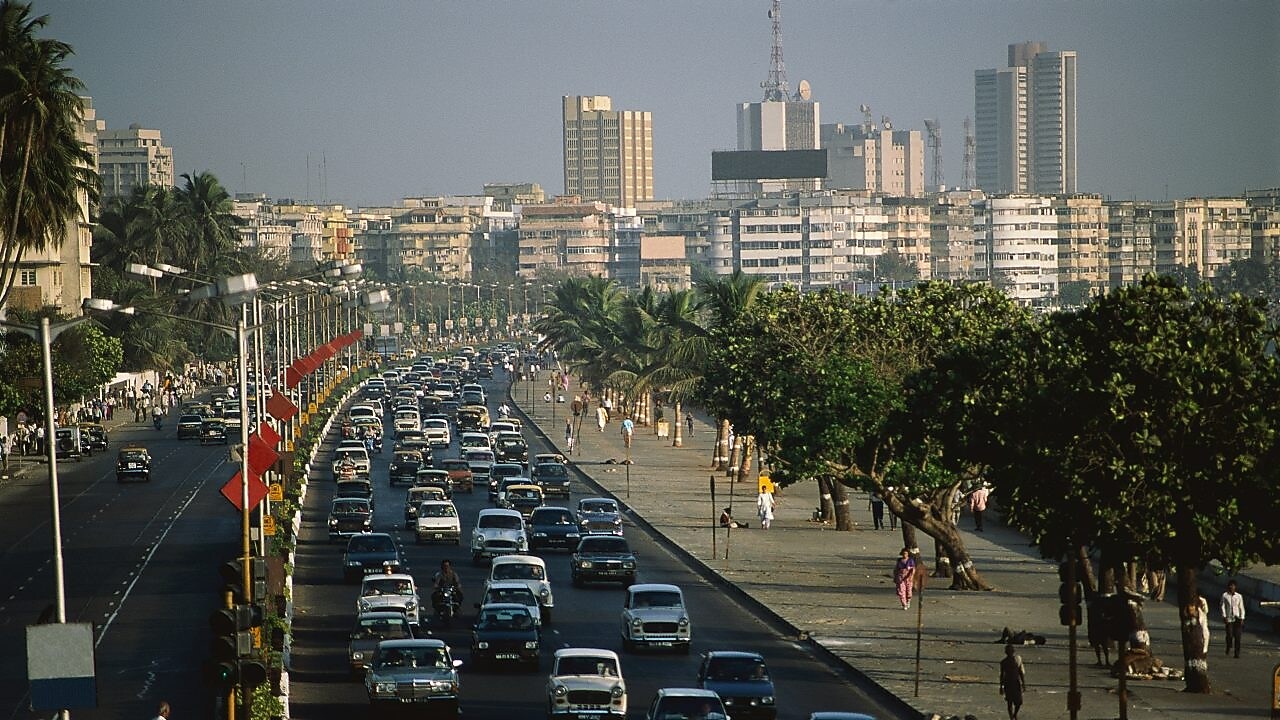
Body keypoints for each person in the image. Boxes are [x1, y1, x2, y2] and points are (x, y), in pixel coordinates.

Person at [998, 644, 1026, 720]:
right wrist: (1001, 686)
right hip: (1008, 683)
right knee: (1009, 702)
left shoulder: (1017, 660)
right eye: (1008, 651)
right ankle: (1011, 717)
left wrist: (1023, 683)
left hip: (1016, 683)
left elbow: (1020, 672)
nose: (1010, 653)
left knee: (1019, 702)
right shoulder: (1003, 662)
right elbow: (1002, 675)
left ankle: (1014, 714)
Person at [1220, 579, 1245, 658]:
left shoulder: (1239, 596)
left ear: (1235, 587)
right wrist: (1224, 616)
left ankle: (1237, 653)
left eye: (1233, 586)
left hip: (1237, 617)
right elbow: (1222, 606)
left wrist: (1242, 618)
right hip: (1229, 618)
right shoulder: (1225, 595)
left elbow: (1241, 607)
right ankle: (1228, 645)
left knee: (1238, 637)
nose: (1232, 587)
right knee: (1229, 634)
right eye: (1230, 585)